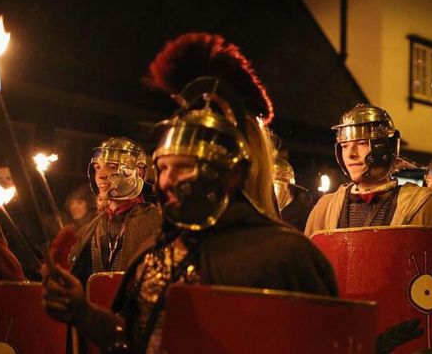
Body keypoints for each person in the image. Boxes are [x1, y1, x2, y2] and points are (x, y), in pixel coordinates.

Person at [42, 32, 337, 353]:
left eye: (183, 167)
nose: (168, 180)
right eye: (164, 167)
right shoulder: (157, 251)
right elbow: (132, 340)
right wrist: (83, 313)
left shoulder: (284, 256)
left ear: (231, 173)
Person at [305, 104, 432, 236]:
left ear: (383, 148)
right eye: (345, 146)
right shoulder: (325, 209)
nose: (351, 154)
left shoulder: (423, 206)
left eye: (362, 143)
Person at [68, 137, 161, 286]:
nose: (100, 175)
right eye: (97, 167)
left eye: (112, 166)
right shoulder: (90, 229)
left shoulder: (156, 222)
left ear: (138, 172)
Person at [273, 157, 313, 231]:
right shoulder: (265, 218)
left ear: (289, 187)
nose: (270, 193)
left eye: (275, 187)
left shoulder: (309, 218)